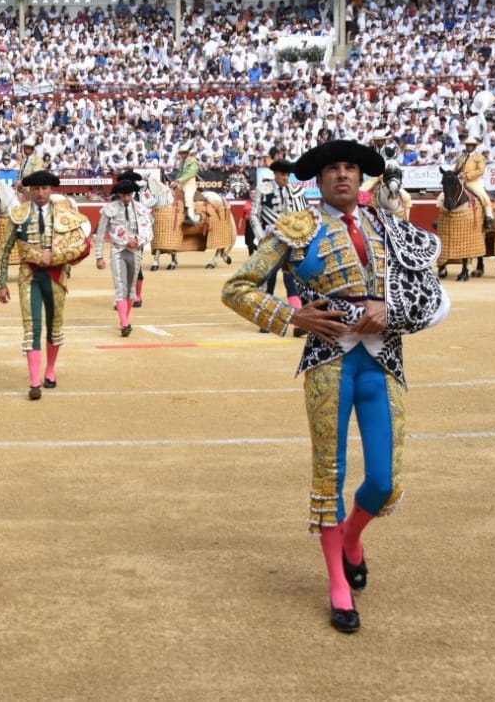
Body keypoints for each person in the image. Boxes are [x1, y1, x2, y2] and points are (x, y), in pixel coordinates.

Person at [221, 139, 448, 634]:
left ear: (360, 178)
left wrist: (393, 311)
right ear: (319, 180)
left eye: (350, 168)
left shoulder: (389, 228)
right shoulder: (297, 228)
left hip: (383, 359)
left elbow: (434, 297)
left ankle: (352, 540)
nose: (343, 175)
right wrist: (290, 315)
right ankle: (337, 586)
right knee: (329, 474)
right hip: (328, 360)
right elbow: (236, 287)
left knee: (386, 483)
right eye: (333, 169)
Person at [0, 170, 93, 399]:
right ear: (29, 190)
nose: (41, 193)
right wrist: (1, 283)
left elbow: (80, 244)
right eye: (37, 189)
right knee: (32, 326)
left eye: (45, 188)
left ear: (51, 190)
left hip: (56, 275)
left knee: (55, 324)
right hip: (29, 274)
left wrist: (58, 255)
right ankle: (34, 381)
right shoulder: (18, 213)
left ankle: (50, 370)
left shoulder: (64, 212)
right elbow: (5, 250)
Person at [249, 158, 310, 331]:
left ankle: (299, 322)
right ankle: (266, 318)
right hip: (271, 240)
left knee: (292, 280)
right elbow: (254, 215)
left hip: (292, 240)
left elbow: (304, 215)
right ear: (275, 174)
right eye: (283, 174)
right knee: (269, 279)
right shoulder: (263, 189)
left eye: (288, 175)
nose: (286, 178)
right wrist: (260, 237)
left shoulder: (296, 191)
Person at [94, 176, 153, 336]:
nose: (126, 198)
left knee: (131, 289)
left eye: (129, 194)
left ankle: (124, 320)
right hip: (118, 251)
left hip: (135, 252)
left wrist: (138, 240)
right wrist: (99, 256)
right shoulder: (110, 209)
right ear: (119, 194)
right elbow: (100, 235)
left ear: (133, 193)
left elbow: (149, 231)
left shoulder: (141, 209)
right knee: (121, 287)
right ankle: (125, 323)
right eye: (124, 195)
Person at [173, 144, 201, 226]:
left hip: (189, 183)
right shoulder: (182, 162)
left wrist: (179, 180)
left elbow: (191, 173)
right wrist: (175, 181)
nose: (182, 154)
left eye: (184, 153)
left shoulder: (193, 161)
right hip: (181, 183)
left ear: (187, 153)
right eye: (181, 153)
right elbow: (179, 173)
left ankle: (191, 218)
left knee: (188, 197)